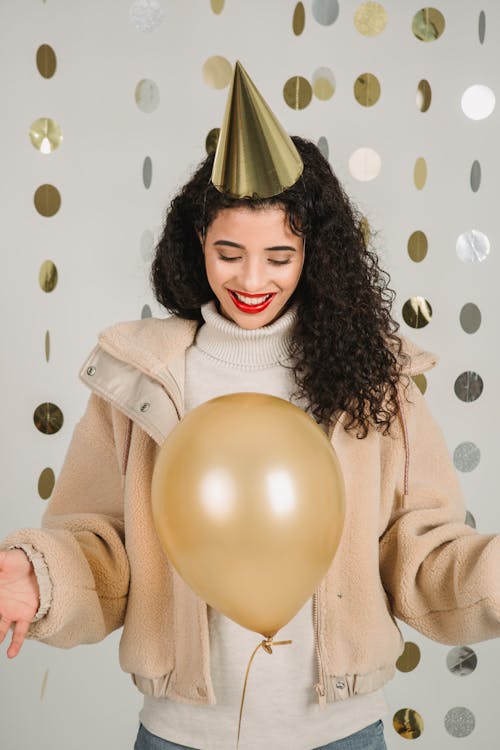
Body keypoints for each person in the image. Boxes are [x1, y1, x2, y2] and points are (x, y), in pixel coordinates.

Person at [1, 62, 500, 750]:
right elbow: (103, 547)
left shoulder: (375, 382)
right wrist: (42, 575)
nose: (252, 279)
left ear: (312, 256)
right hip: (179, 736)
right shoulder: (140, 380)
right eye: (228, 252)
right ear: (196, 246)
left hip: (343, 734)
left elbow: (421, 557)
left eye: (279, 255)